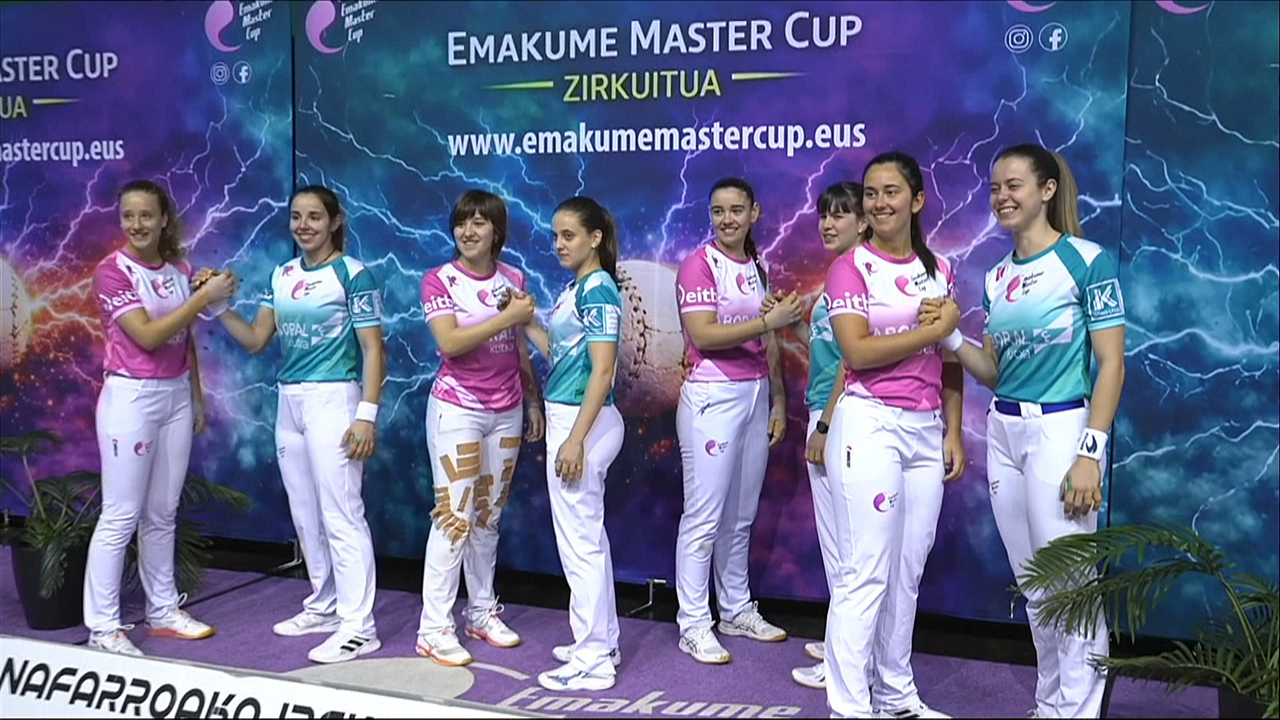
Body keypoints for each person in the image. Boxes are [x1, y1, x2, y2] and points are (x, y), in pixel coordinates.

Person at [918, 144, 1124, 719]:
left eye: (1014, 185)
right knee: (1035, 585)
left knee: (1069, 583)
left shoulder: (1087, 260)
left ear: (1047, 190)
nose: (1002, 197)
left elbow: (1111, 363)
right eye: (995, 188)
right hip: (1005, 430)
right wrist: (951, 337)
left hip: (1061, 430)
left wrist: (1090, 453)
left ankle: (1077, 711)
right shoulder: (997, 276)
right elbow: (993, 371)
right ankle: (1050, 703)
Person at [213, 185, 385, 664]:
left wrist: (366, 415)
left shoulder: (353, 274)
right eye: (296, 217)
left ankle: (360, 627)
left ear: (334, 222)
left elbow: (373, 348)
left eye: (314, 217)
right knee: (307, 514)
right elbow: (256, 339)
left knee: (341, 513)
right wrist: (217, 308)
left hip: (334, 399)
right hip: (289, 402)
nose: (303, 225)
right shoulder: (283, 274)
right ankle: (325, 604)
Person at [824, 152, 965, 718]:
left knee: (907, 573)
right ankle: (849, 707)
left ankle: (895, 696)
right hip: (870, 422)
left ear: (917, 199)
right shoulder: (850, 267)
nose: (879, 203)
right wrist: (937, 327)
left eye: (891, 192)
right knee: (865, 573)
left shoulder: (942, 269)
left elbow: (949, 357)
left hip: (926, 431)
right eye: (871, 193)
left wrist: (953, 428)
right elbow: (857, 352)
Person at [84, 180, 235, 656]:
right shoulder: (112, 272)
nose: (137, 224)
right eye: (128, 216)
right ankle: (103, 627)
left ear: (164, 219)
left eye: (146, 215)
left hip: (174, 395)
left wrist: (195, 397)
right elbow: (148, 336)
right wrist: (201, 299)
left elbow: (184, 339)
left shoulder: (179, 271)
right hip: (131, 397)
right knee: (121, 514)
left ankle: (163, 610)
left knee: (162, 511)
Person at [673, 177, 802, 664]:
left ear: (754, 213)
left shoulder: (757, 265)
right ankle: (693, 623)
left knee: (740, 516)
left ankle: (735, 609)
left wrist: (777, 400)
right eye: (718, 211)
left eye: (736, 210)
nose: (727, 219)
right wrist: (768, 322)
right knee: (703, 517)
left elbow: (768, 341)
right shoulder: (699, 265)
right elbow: (704, 335)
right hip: (712, 396)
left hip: (754, 395)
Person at [415, 189, 544, 666]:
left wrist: (531, 399)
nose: (468, 231)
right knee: (455, 517)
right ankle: (434, 628)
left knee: (488, 516)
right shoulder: (439, 280)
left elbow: (518, 344)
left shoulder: (513, 278)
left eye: (478, 222)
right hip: (458, 409)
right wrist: (508, 315)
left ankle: (481, 611)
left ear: (496, 232)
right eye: (461, 222)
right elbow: (450, 343)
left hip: (506, 410)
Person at [762, 182, 871, 690]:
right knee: (839, 548)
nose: (828, 223)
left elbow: (854, 362)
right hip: (827, 409)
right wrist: (794, 329)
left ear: (864, 222)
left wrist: (825, 424)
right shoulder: (837, 278)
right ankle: (843, 642)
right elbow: (827, 348)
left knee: (849, 548)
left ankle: (847, 663)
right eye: (824, 214)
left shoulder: (862, 276)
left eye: (840, 215)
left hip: (843, 415)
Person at [521, 196, 626, 691]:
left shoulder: (599, 289)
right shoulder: (576, 289)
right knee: (589, 541)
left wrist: (575, 440)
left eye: (569, 235)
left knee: (580, 547)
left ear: (595, 238)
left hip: (584, 422)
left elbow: (603, 371)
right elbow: (561, 355)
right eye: (556, 236)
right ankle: (603, 639)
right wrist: (526, 322)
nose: (559, 244)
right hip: (574, 417)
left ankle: (593, 661)